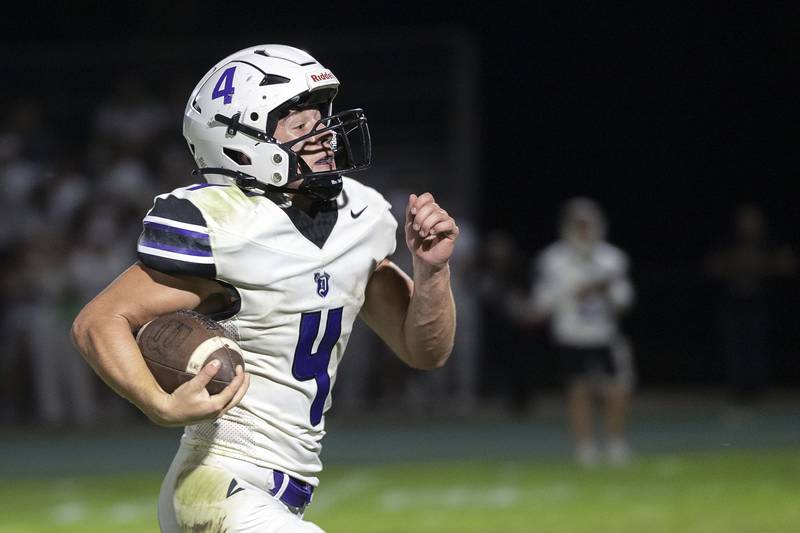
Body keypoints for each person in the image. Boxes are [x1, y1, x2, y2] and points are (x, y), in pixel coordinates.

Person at [71, 44, 458, 532]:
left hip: (287, 490)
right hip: (217, 486)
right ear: (239, 142)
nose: (326, 137)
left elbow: (424, 351)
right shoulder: (223, 224)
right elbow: (97, 321)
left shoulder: (362, 216)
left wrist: (432, 272)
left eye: (322, 120)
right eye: (301, 126)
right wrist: (159, 402)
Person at [530, 197, 634, 466]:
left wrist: (605, 289)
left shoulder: (611, 258)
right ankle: (585, 447)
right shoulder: (553, 259)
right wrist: (573, 290)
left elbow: (625, 300)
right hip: (571, 335)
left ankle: (614, 442)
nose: (584, 230)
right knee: (578, 391)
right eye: (578, 224)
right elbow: (541, 301)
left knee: (616, 390)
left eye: (588, 224)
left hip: (604, 334)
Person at [705, 204, 796, 408]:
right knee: (735, 347)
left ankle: (757, 391)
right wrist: (737, 264)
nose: (748, 225)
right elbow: (712, 266)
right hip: (733, 303)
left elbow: (787, 263)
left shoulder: (769, 241)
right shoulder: (728, 241)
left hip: (760, 303)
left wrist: (761, 264)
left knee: (757, 346)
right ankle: (738, 392)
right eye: (745, 220)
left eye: (752, 220)